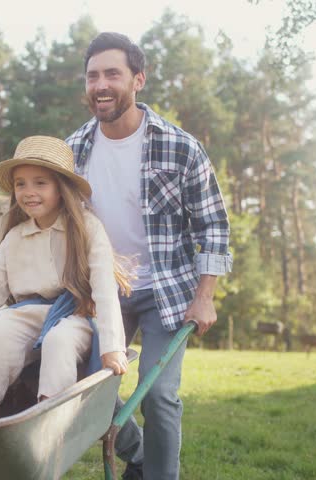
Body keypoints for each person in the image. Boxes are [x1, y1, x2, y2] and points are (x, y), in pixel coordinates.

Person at [65, 32, 233, 479]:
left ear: (138, 79)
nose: (101, 84)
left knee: (158, 396)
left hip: (165, 290)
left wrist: (206, 295)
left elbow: (213, 226)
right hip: (104, 289)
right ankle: (137, 457)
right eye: (93, 75)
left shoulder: (180, 147)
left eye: (112, 74)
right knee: (83, 383)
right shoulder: (73, 151)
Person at [0, 135, 132, 421]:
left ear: (61, 187)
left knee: (59, 341)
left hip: (75, 315)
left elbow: (105, 291)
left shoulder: (86, 229)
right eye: (21, 183)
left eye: (40, 182)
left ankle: (45, 424)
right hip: (27, 313)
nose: (29, 191)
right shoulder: (15, 238)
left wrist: (112, 348)